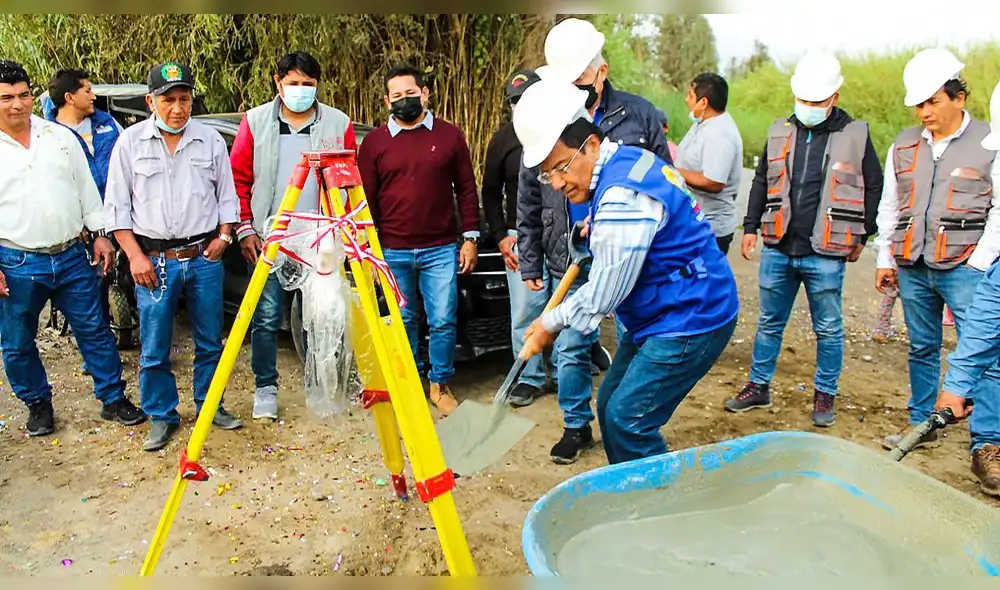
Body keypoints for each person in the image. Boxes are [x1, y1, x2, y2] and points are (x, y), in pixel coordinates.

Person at [515, 80, 739, 465]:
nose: (556, 183)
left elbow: (603, 294)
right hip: (660, 311)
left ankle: (655, 506)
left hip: (691, 316)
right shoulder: (628, 158)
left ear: (591, 145)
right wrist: (597, 231)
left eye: (561, 168)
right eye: (547, 174)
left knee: (628, 420)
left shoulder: (623, 196)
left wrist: (548, 324)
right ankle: (630, 489)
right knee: (609, 402)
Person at [518, 17, 671, 463]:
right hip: (570, 252)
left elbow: (662, 180)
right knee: (570, 343)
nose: (574, 91)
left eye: (580, 81)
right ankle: (575, 425)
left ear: (600, 71)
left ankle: (630, 422)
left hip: (629, 255)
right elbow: (530, 193)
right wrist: (531, 257)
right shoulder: (551, 116)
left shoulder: (638, 115)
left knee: (631, 343)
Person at [728, 50, 884, 426]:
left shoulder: (855, 134)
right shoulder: (780, 129)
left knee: (828, 328)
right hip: (779, 245)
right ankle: (759, 386)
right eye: (803, 100)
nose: (808, 107)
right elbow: (763, 179)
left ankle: (825, 395)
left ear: (834, 98)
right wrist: (750, 227)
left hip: (826, 252)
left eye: (816, 101)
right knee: (768, 321)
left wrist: (863, 233)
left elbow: (874, 187)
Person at [0, 59, 144, 436]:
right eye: (7, 97)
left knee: (94, 329)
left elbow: (85, 189)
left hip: (70, 255)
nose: (18, 104)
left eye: (24, 95)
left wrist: (99, 233)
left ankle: (113, 398)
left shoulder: (59, 137)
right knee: (17, 342)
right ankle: (37, 403)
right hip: (16, 260)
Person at [104, 61, 243, 451]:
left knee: (210, 340)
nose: (177, 108)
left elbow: (226, 196)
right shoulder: (129, 144)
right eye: (168, 100)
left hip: (204, 257)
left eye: (184, 99)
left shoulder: (210, 141)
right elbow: (116, 210)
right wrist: (134, 256)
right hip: (154, 260)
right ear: (151, 101)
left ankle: (210, 405)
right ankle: (162, 415)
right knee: (154, 344)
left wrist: (225, 236)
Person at [874, 49, 1000, 451]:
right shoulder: (904, 145)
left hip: (966, 267)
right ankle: (920, 426)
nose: (924, 112)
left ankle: (987, 442)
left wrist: (980, 262)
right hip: (913, 264)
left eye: (933, 102)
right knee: (922, 347)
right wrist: (884, 257)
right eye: (919, 104)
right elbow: (891, 205)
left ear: (958, 97)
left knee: (984, 353)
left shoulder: (990, 140)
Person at [230, 51, 357, 421]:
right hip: (272, 233)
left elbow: (350, 181)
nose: (300, 90)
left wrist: (345, 231)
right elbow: (239, 180)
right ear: (277, 82)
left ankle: (327, 386)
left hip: (321, 235)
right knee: (267, 316)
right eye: (293, 83)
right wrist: (245, 229)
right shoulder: (255, 123)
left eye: (308, 84)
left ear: (318, 85)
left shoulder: (337, 122)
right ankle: (265, 388)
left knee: (326, 313)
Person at [357, 64, 480, 417]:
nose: (405, 100)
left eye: (411, 93)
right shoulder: (375, 143)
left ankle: (439, 384)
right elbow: (367, 197)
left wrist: (469, 237)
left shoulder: (450, 136)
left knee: (443, 318)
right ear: (386, 101)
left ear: (424, 93)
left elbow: (467, 189)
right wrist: (368, 247)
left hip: (440, 248)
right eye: (397, 96)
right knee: (404, 319)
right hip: (392, 249)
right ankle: (410, 381)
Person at [482, 67, 557, 407]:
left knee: (565, 307)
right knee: (525, 311)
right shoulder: (503, 140)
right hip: (519, 237)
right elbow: (490, 192)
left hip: (561, 232)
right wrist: (499, 236)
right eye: (514, 101)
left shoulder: (563, 132)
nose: (520, 105)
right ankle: (528, 376)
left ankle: (564, 371)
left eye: (526, 98)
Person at [42, 68, 125, 373]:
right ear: (69, 97)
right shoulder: (49, 135)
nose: (93, 95)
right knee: (92, 289)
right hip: (81, 227)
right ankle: (98, 355)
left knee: (127, 276)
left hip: (117, 216)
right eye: (87, 90)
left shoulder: (107, 124)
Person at [674, 73, 744, 255]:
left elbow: (713, 182)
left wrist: (673, 172)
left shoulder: (721, 134)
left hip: (711, 228)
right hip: (693, 221)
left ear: (703, 103)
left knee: (702, 280)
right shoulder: (703, 122)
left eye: (690, 96)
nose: (686, 100)